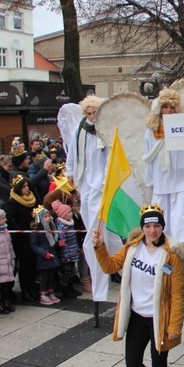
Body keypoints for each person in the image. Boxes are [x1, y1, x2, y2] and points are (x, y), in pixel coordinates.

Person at [93, 203, 184, 367]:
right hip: (136, 316)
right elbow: (110, 266)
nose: (152, 230)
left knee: (159, 364)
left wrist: (174, 325)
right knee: (132, 361)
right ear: (142, 227)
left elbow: (178, 293)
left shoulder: (172, 255)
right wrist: (100, 247)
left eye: (156, 226)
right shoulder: (132, 247)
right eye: (148, 225)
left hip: (159, 319)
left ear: (162, 227)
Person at [143, 88, 184, 341]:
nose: (168, 112)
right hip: (163, 192)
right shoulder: (151, 132)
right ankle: (166, 311)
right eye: (164, 108)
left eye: (172, 108)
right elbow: (148, 164)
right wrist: (150, 188)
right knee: (163, 251)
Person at [66, 95, 120, 310]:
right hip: (86, 182)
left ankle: (108, 266)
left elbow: (113, 156)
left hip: (103, 183)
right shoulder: (79, 130)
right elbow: (72, 153)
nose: (91, 116)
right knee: (92, 227)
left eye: (94, 112)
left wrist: (109, 180)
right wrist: (70, 172)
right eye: (88, 113)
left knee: (102, 229)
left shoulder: (106, 129)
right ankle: (100, 267)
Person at [5, 176, 38, 302]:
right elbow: (10, 220)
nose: (27, 188)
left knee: (32, 265)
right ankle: (25, 290)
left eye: (27, 186)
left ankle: (32, 287)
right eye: (23, 187)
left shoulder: (32, 199)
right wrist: (22, 228)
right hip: (22, 238)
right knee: (25, 265)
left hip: (33, 235)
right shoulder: (12, 202)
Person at [30, 206, 61, 305]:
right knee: (44, 276)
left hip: (52, 254)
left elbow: (53, 238)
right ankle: (43, 294)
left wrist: (59, 242)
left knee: (52, 275)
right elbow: (33, 245)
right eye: (45, 216)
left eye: (49, 216)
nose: (48, 218)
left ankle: (51, 292)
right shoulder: (36, 230)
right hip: (44, 256)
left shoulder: (51, 227)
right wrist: (44, 253)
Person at [52, 199, 82, 298]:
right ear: (63, 215)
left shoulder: (70, 223)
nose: (71, 213)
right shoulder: (62, 226)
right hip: (67, 254)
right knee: (66, 272)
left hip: (73, 251)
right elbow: (63, 241)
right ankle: (66, 289)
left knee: (72, 271)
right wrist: (67, 253)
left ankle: (70, 287)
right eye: (69, 212)